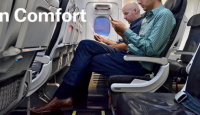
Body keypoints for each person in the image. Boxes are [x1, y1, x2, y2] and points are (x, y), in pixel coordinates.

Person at [30, 0, 176, 113]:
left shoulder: (164, 15)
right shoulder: (149, 18)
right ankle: (70, 98)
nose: (138, 1)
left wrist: (125, 31)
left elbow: (150, 49)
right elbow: (139, 45)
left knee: (85, 58)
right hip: (131, 56)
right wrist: (122, 35)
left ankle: (64, 97)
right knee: (85, 48)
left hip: (137, 64)